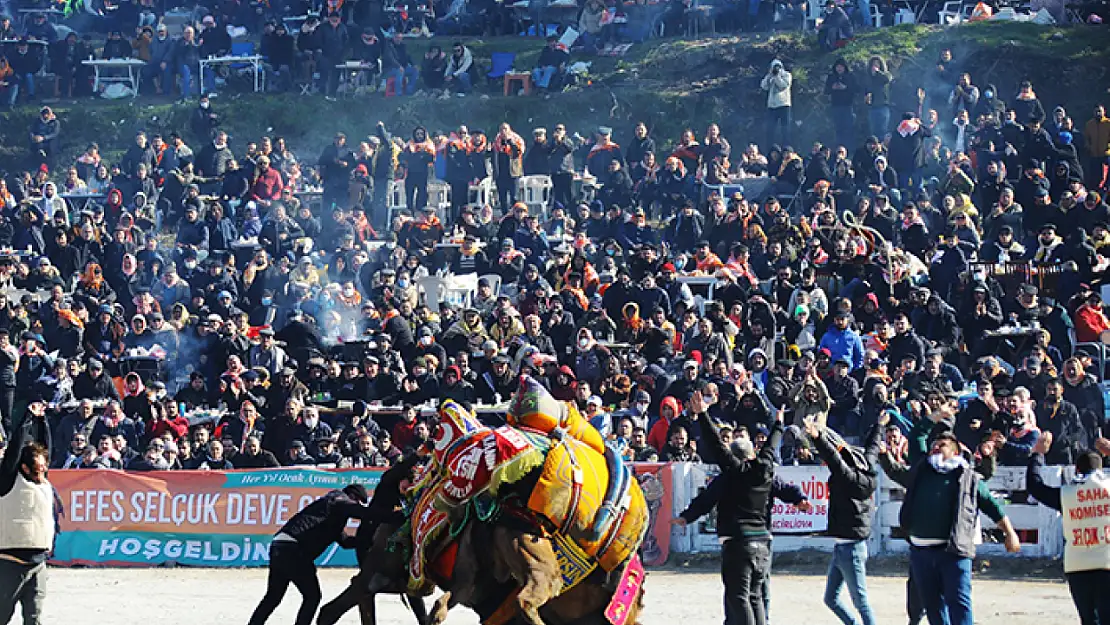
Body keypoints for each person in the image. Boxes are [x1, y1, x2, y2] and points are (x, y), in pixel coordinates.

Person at [882, 401, 1020, 625]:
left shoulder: (967, 477)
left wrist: (1010, 533)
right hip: (920, 552)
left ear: (955, 451)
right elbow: (917, 434)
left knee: (959, 603)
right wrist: (936, 416)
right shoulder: (922, 468)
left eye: (943, 444)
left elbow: (992, 506)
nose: (936, 446)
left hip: (953, 552)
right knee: (933, 607)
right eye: (935, 443)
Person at [673, 391, 784, 625]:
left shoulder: (731, 474)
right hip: (763, 543)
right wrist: (778, 425)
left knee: (738, 597)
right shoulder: (765, 471)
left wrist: (703, 414)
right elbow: (771, 448)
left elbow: (716, 446)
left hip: (737, 542)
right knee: (755, 597)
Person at [247, 483, 393, 625]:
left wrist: (370, 541)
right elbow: (363, 513)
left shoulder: (329, 513)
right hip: (294, 549)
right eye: (358, 503)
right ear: (352, 496)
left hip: (279, 545)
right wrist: (395, 516)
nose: (356, 506)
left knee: (273, 597)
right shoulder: (338, 500)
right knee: (312, 597)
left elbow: (345, 542)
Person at [1026, 432, 1110, 625]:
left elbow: (1035, 487)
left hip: (1077, 565)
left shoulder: (1068, 494)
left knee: (1089, 620)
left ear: (1077, 470)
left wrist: (1038, 454)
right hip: (1107, 562)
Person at [808, 419, 881, 625]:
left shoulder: (846, 476)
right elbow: (872, 450)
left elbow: (833, 458)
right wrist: (879, 426)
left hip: (849, 547)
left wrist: (818, 437)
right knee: (831, 598)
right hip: (846, 546)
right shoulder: (864, 473)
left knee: (860, 600)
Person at [0, 406, 53, 625]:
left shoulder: (41, 480)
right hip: (9, 563)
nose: (43, 473)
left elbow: (45, 447)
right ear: (24, 467)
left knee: (34, 618)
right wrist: (26, 420)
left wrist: (41, 421)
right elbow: (13, 452)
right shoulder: (7, 480)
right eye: (38, 469)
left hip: (38, 563)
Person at [760, 59, 792, 149]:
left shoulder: (787, 75)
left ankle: (787, 148)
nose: (776, 69)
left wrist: (777, 76)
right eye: (774, 67)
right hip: (772, 106)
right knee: (770, 129)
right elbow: (763, 86)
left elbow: (783, 86)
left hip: (784, 105)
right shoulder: (770, 76)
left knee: (785, 129)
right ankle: (770, 148)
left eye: (778, 67)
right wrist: (769, 76)